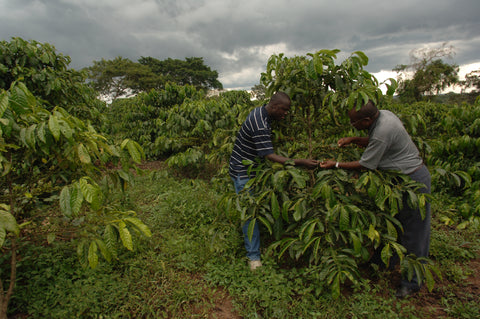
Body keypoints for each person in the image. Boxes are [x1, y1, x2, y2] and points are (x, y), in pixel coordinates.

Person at [319, 100, 431, 298]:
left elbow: (366, 164)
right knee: (391, 225)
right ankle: (383, 263)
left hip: (413, 180)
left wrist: (335, 164)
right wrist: (353, 139)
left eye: (354, 123)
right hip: (395, 181)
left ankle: (412, 282)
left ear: (368, 119)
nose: (352, 125)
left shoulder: (383, 131)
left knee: (414, 232)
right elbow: (374, 141)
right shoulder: (384, 114)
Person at [229, 92, 319, 270]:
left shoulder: (262, 112)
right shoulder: (260, 123)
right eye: (284, 110)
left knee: (258, 207)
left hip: (254, 168)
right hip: (243, 171)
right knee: (250, 214)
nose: (286, 114)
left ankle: (261, 241)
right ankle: (253, 258)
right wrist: (301, 163)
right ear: (274, 106)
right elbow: (270, 155)